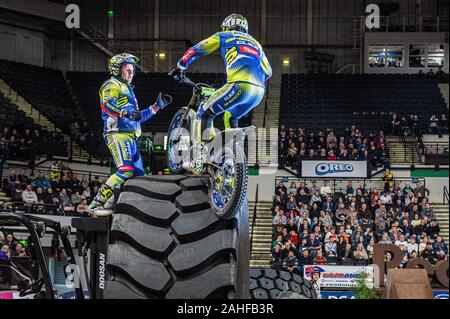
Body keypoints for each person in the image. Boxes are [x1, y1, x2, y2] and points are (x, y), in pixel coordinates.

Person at [171, 14, 272, 172]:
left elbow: (197, 50)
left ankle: (200, 156)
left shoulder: (224, 35)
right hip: (258, 92)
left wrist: (180, 66)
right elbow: (269, 72)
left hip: (239, 85)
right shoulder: (256, 44)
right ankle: (231, 157)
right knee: (230, 116)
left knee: (204, 111)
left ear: (226, 27)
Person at [88, 53, 172, 215]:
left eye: (132, 70)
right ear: (117, 70)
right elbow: (107, 105)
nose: (131, 73)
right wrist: (124, 113)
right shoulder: (111, 84)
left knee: (138, 175)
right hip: (117, 133)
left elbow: (138, 117)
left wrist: (157, 107)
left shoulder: (129, 90)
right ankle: (95, 204)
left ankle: (113, 205)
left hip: (131, 136)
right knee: (126, 169)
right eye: (127, 70)